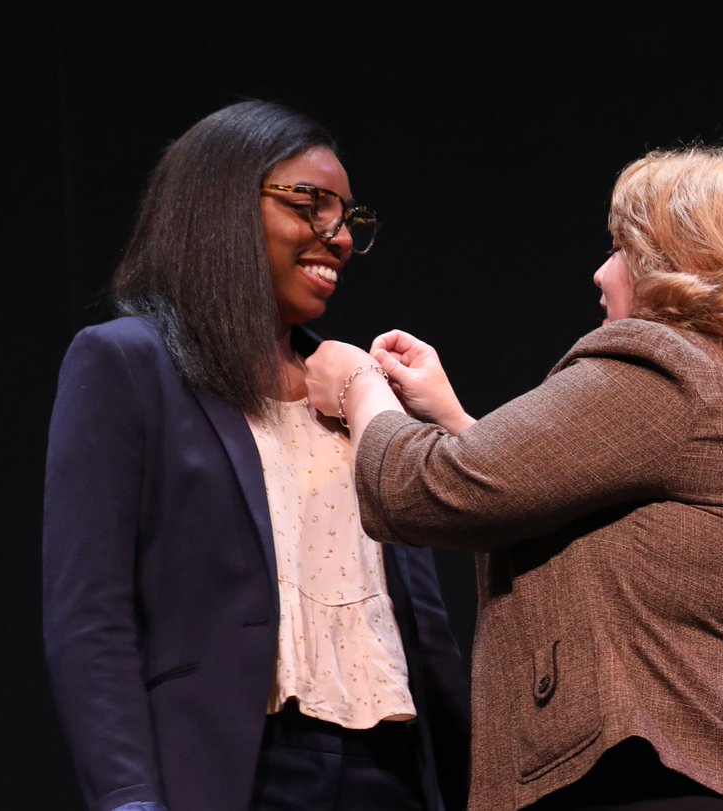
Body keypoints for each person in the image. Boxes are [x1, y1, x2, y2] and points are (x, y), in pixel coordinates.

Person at [305, 144, 723, 811]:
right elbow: (601, 507)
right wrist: (456, 418)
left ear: (677, 263)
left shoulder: (667, 366)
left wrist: (357, 384)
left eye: (620, 248)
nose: (601, 273)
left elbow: (429, 489)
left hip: (665, 790)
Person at [43, 100, 470, 811]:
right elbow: (91, 615)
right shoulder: (126, 364)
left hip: (391, 767)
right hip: (236, 770)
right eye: (310, 205)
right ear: (221, 206)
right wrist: (127, 797)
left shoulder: (353, 386)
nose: (335, 238)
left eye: (347, 219)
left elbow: (423, 622)